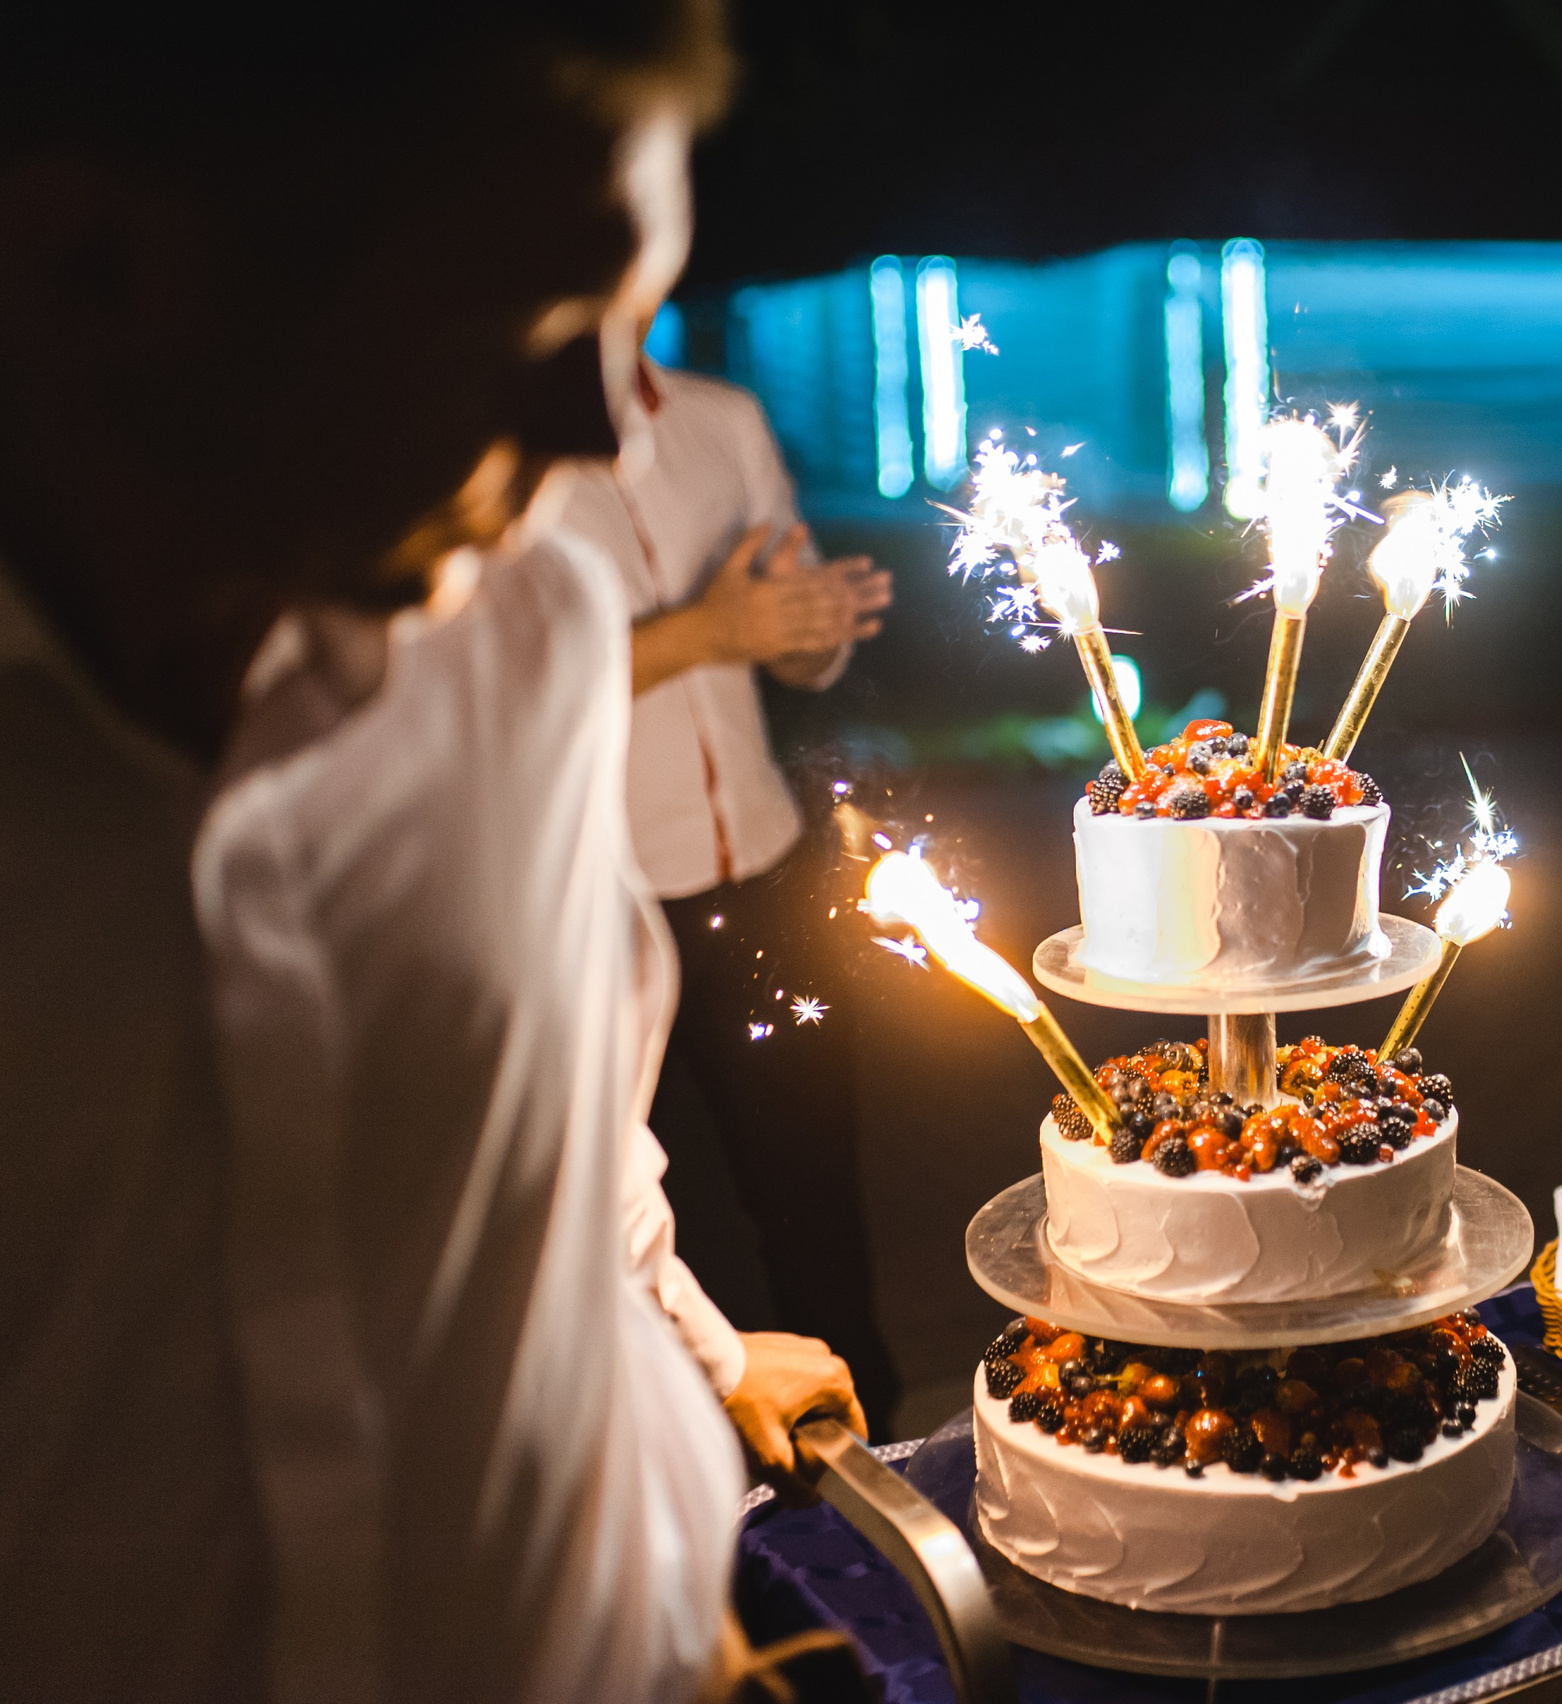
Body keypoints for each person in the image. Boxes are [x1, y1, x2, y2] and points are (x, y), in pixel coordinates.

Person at [0, 4, 849, 1698]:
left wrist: (684, 1373)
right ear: (107, 266)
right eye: (529, 322)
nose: (609, 430)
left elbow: (559, 1132)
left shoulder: (530, 637)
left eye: (631, 312)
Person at [548, 348, 902, 1419]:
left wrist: (811, 634)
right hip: (595, 896)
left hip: (761, 866)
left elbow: (789, 631)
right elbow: (503, 692)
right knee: (606, 1219)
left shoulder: (720, 418)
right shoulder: (490, 455)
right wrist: (709, 630)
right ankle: (667, 1470)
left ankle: (867, 1453)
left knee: (814, 1196)